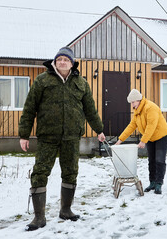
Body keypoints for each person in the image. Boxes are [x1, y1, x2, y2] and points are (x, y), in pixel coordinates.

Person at [19, 46, 105, 231]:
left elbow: (90, 109)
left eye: (66, 59)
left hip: (71, 137)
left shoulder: (81, 83)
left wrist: (99, 129)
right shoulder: (42, 80)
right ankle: (39, 217)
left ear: (72, 63)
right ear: (55, 62)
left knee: (70, 172)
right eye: (59, 59)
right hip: (47, 137)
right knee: (40, 172)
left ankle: (66, 210)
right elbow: (29, 108)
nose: (62, 62)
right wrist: (24, 135)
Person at [115, 89, 167, 195]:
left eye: (132, 102)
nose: (131, 105)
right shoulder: (137, 111)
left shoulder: (150, 107)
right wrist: (120, 140)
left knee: (159, 160)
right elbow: (131, 126)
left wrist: (143, 141)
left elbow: (151, 126)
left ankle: (159, 184)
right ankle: (152, 182)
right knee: (151, 160)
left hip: (162, 136)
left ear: (138, 100)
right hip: (150, 137)